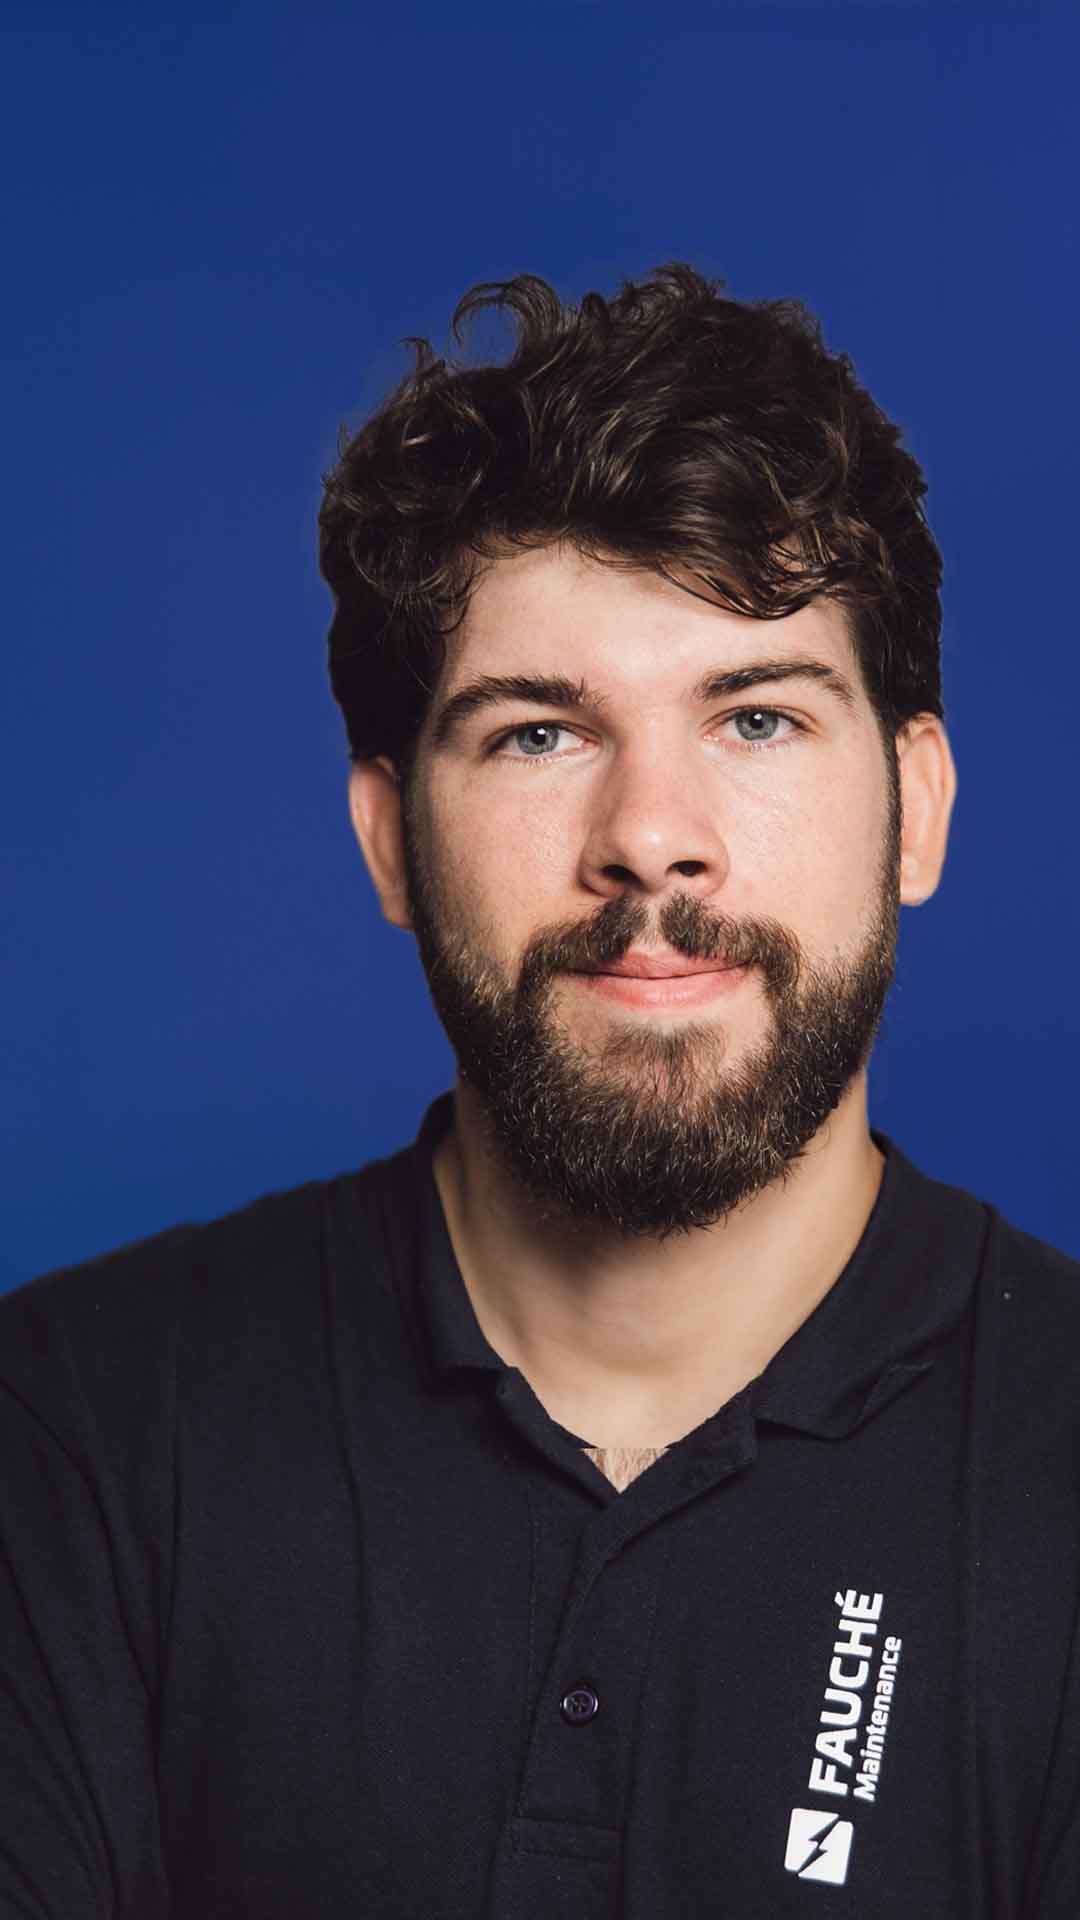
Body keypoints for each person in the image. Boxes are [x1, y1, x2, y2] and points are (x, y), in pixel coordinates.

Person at [2, 265, 1077, 1919]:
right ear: (390, 841)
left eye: (758, 718)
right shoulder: (67, 1436)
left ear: (916, 810)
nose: (650, 836)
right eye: (536, 735)